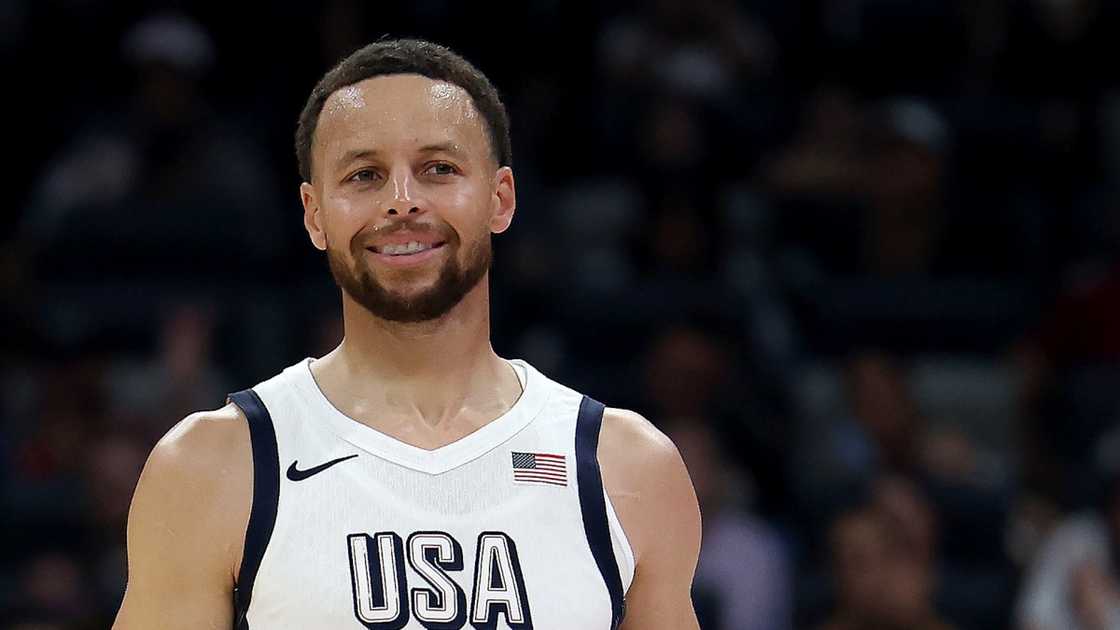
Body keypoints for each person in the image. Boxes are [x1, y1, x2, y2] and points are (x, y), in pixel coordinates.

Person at [112, 38, 702, 629]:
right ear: (315, 215)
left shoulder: (624, 466)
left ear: (500, 199)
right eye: (365, 175)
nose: (402, 202)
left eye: (438, 169)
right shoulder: (212, 465)